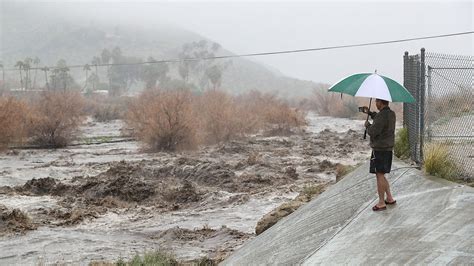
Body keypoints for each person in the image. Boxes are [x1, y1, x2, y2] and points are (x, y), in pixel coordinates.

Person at [362, 99, 397, 211]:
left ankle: (381, 202)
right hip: (387, 148)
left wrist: (367, 126)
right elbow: (380, 119)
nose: (376, 103)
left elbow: (373, 131)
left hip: (380, 149)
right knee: (382, 174)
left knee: (379, 175)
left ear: (380, 103)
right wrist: (370, 113)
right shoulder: (391, 114)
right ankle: (390, 198)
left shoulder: (382, 116)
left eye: (377, 101)